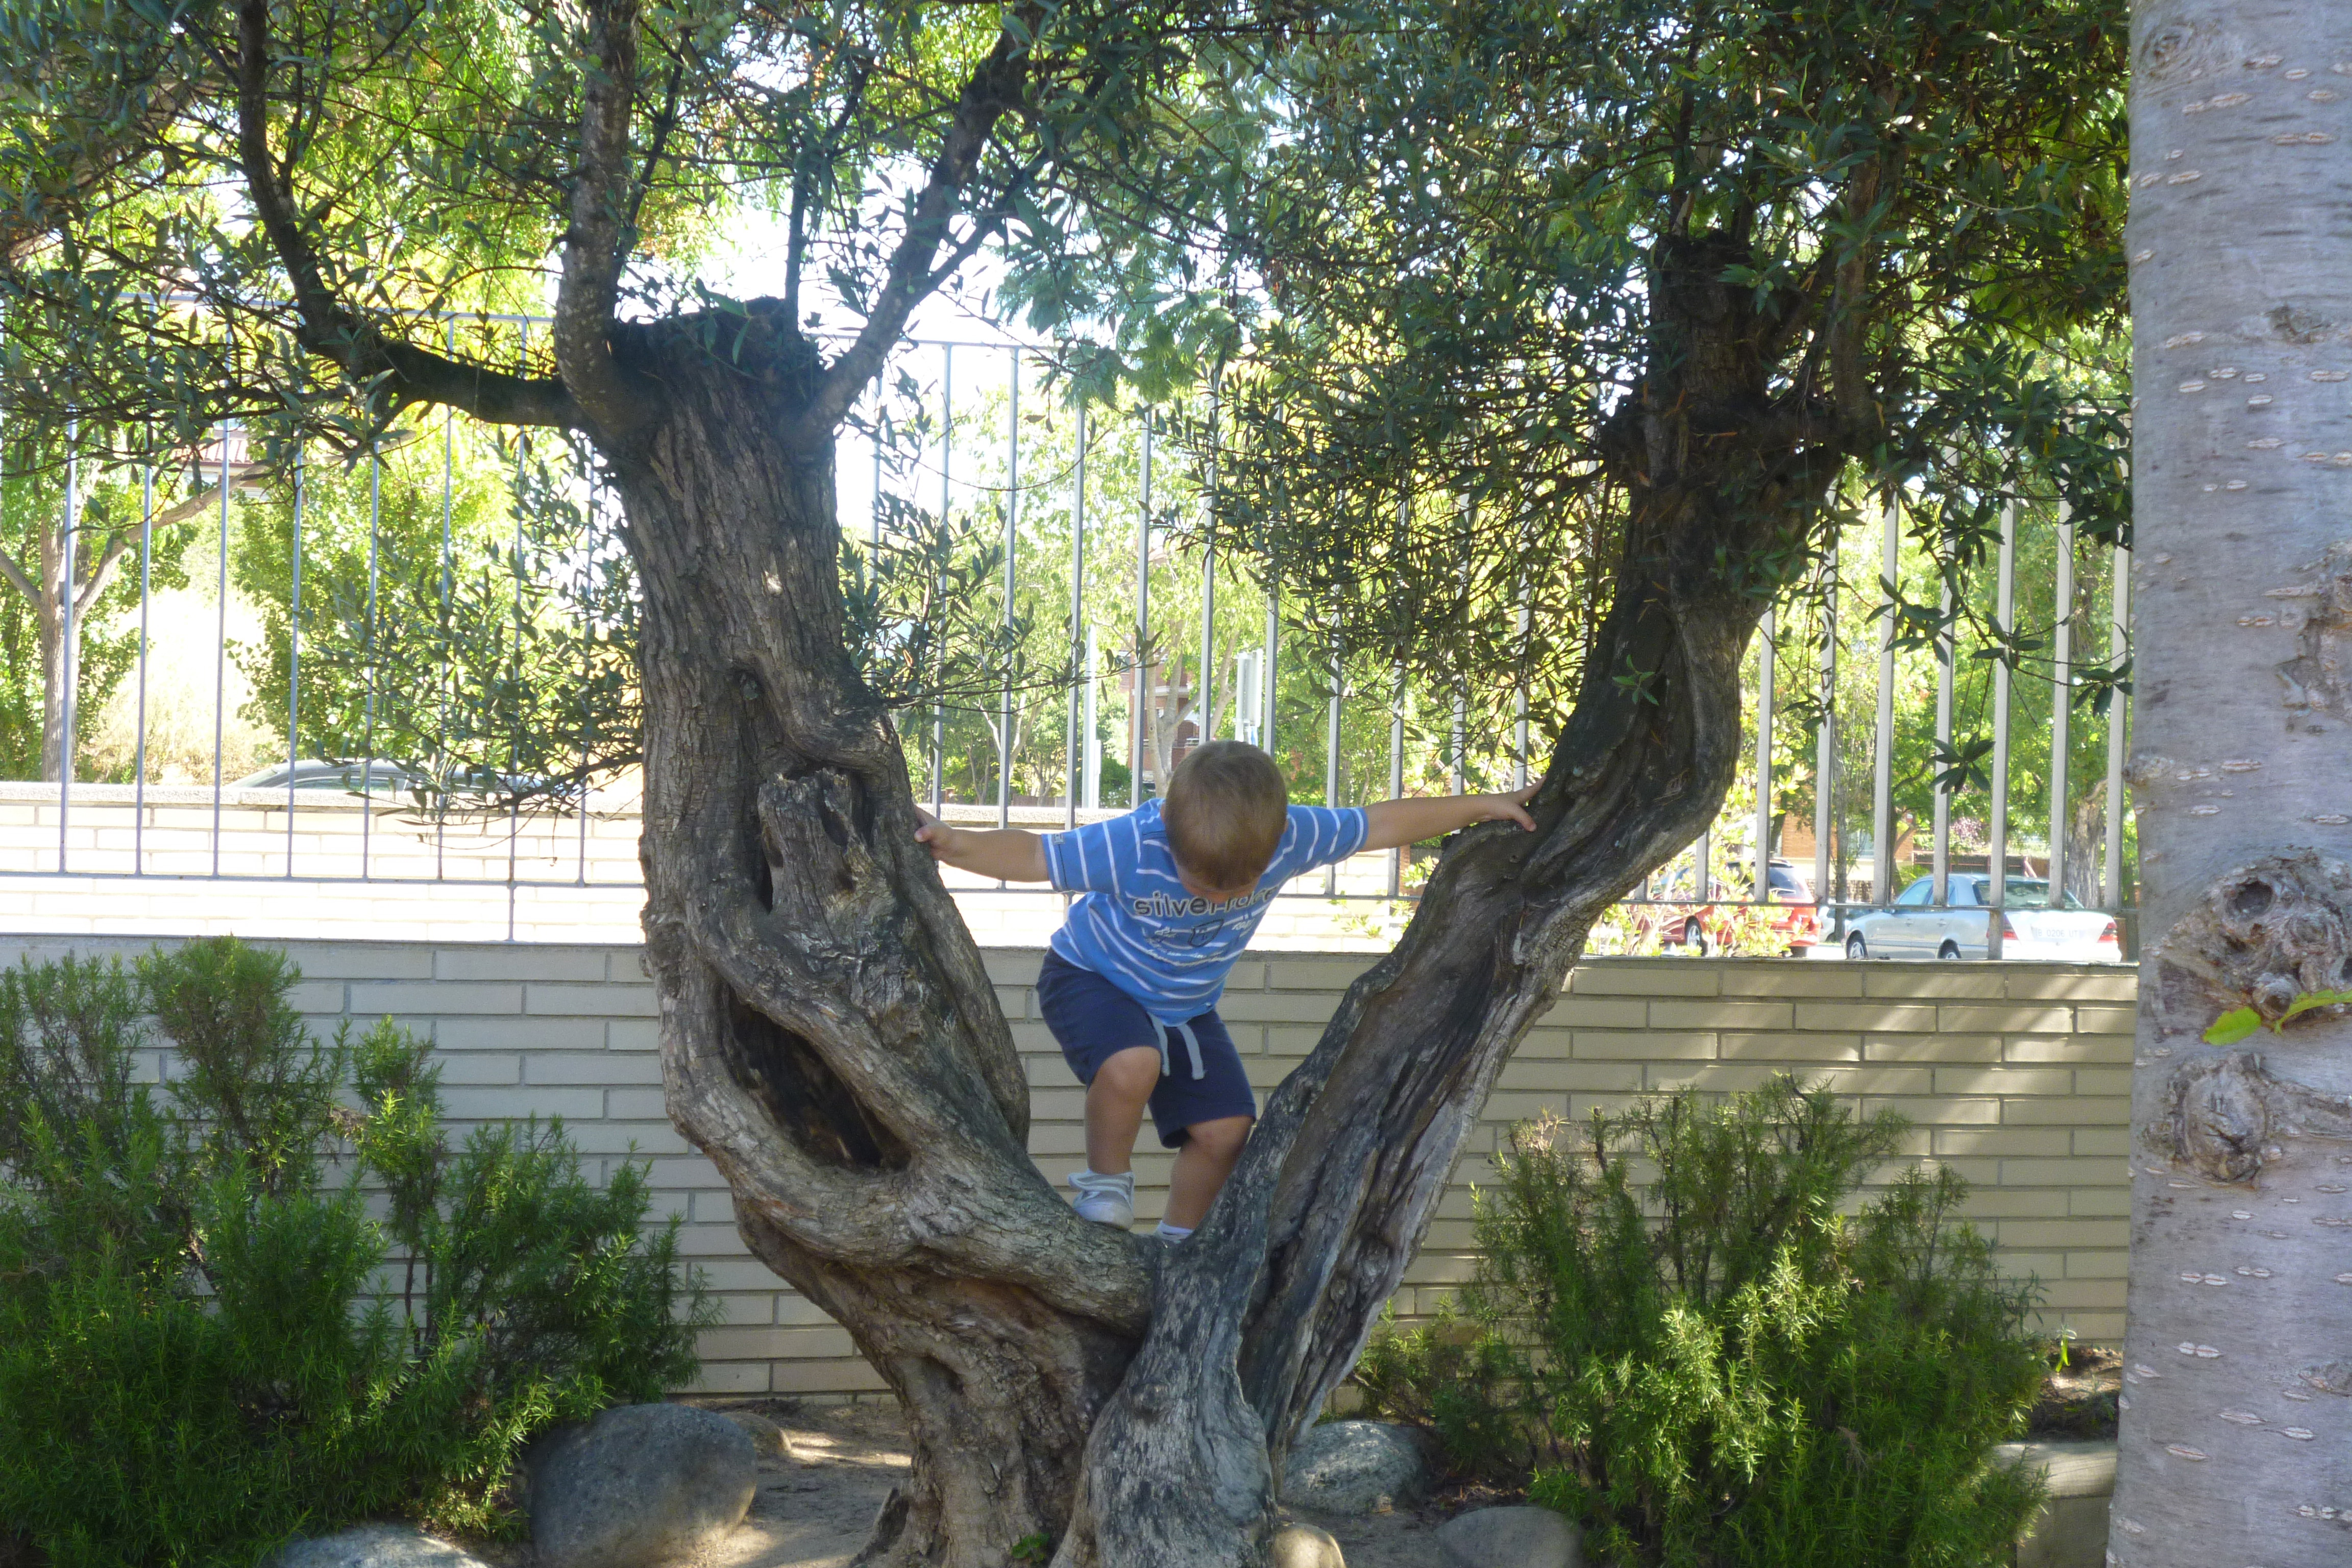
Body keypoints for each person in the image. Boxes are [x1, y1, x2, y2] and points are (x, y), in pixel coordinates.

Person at [915, 740, 1536, 1242]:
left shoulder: (1293, 835)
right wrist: (956, 843)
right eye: (1203, 883)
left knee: (1228, 1130)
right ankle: (1106, 1186)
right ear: (1168, 832)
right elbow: (1036, 855)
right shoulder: (1134, 843)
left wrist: (1483, 805)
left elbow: (1380, 822)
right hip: (1092, 978)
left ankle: (1178, 1245)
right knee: (1133, 1064)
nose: (1218, 898)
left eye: (1237, 886)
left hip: (1186, 1008)